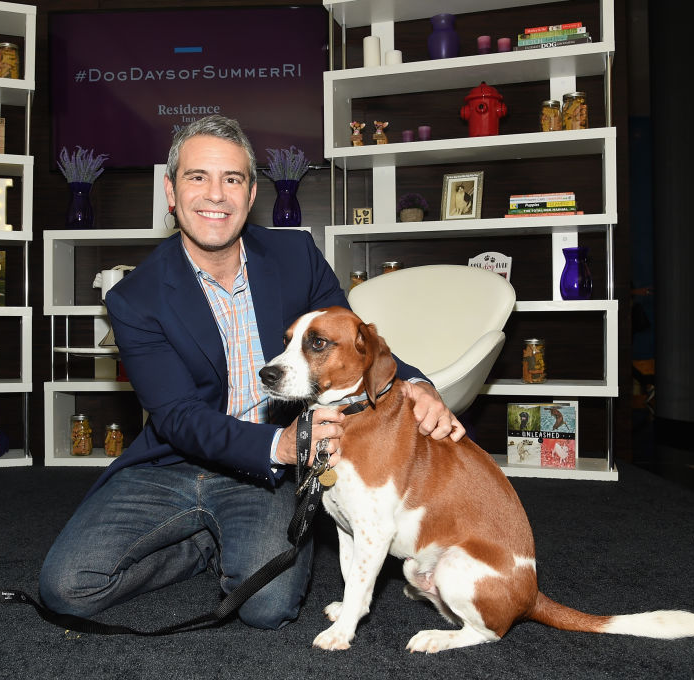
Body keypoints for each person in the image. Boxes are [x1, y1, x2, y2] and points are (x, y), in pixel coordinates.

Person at [39, 115, 464, 630]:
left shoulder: (295, 255)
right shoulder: (134, 298)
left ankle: (221, 540)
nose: (215, 195)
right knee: (68, 589)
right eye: (197, 177)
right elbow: (175, 416)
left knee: (267, 607)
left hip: (264, 474)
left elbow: (352, 337)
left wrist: (417, 385)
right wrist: (279, 447)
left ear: (251, 191)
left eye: (232, 179)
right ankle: (202, 544)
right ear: (170, 192)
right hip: (174, 462)